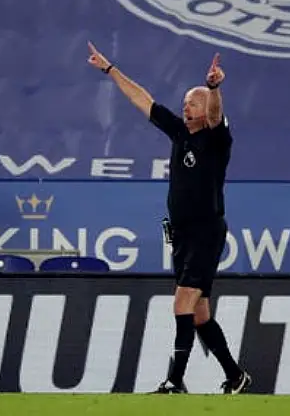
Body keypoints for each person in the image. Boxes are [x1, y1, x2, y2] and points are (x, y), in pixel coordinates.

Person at [87, 41, 251, 395]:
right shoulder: (179, 132)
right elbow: (142, 99)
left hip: (206, 231)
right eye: (186, 101)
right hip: (181, 232)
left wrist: (214, 88)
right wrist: (110, 69)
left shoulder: (217, 139)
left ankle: (175, 381)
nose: (186, 105)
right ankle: (235, 375)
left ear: (207, 108)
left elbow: (217, 113)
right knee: (201, 313)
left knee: (181, 302)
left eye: (194, 101)